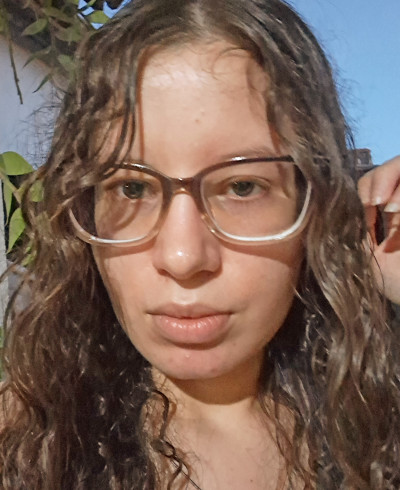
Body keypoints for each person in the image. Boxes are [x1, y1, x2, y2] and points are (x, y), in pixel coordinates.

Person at [0, 0, 399, 488]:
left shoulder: (380, 412)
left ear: (316, 205)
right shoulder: (26, 448)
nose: (183, 258)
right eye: (132, 188)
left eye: (242, 187)